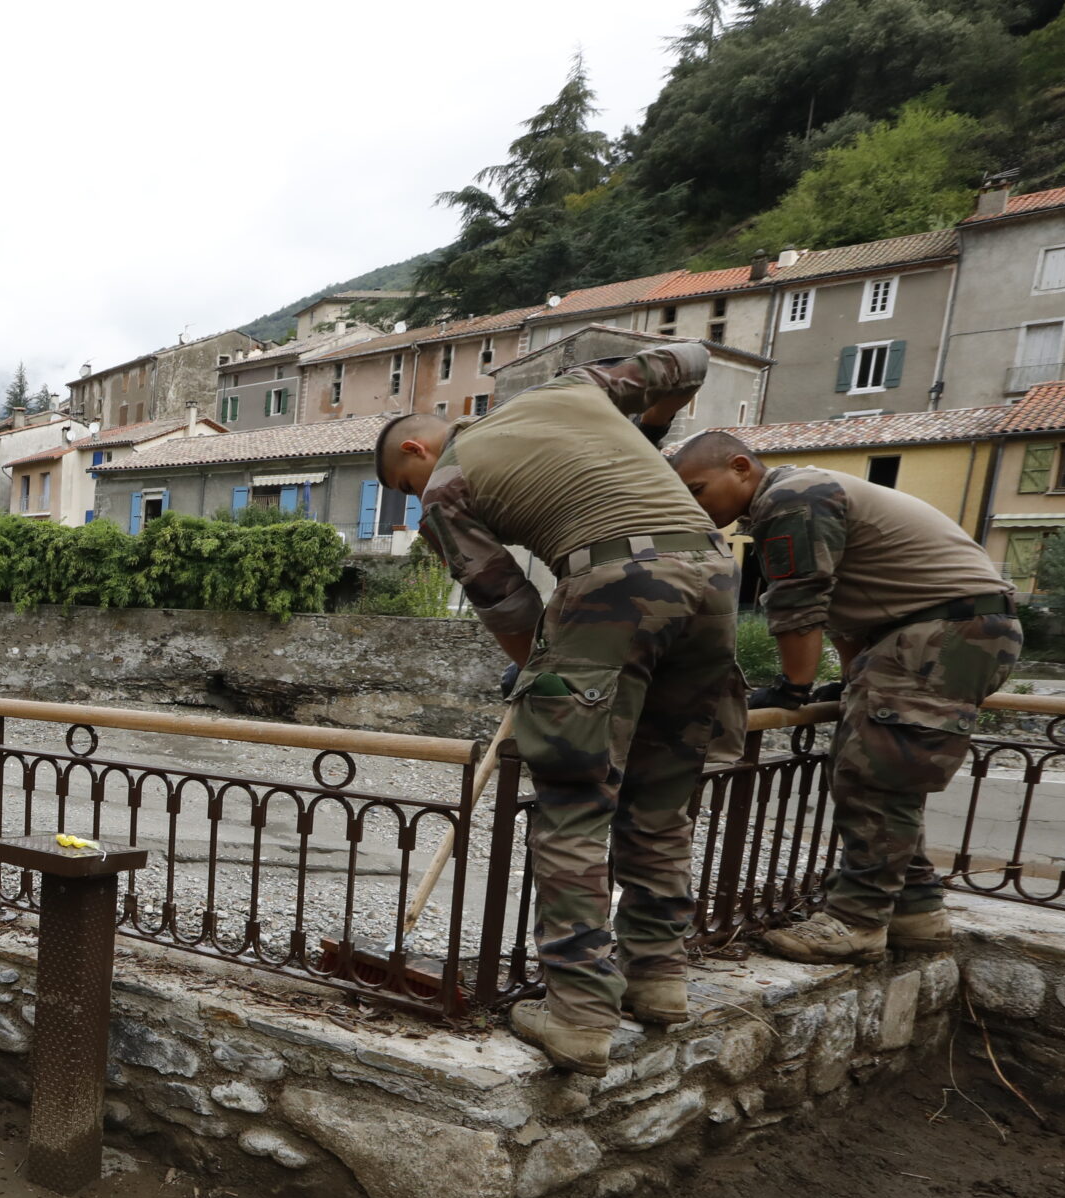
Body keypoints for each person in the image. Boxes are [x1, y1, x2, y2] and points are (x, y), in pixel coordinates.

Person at [375, 342, 742, 1074]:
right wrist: (650, 432)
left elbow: (511, 605)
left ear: (417, 448)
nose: (417, 493)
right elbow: (690, 360)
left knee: (575, 803)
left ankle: (578, 1013)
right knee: (662, 799)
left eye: (403, 480)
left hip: (611, 584)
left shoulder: (448, 487)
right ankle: (659, 979)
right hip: (714, 577)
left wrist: (548, 682)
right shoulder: (577, 389)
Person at [671, 431, 1020, 963]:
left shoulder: (789, 499)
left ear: (740, 468)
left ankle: (857, 922)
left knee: (873, 778)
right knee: (890, 772)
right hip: (949, 629)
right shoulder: (808, 491)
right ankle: (916, 910)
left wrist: (793, 688)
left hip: (940, 632)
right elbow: (844, 607)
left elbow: (799, 601)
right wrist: (854, 672)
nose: (695, 505)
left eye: (697, 489)